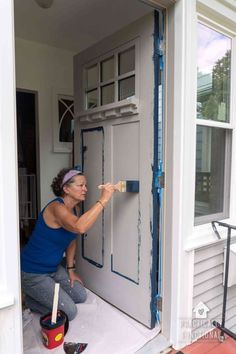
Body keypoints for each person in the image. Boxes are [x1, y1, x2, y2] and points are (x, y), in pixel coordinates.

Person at [21, 168, 116, 321]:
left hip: (53, 268)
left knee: (80, 295)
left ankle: (39, 295)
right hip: (33, 272)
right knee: (69, 312)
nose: (85, 189)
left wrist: (71, 270)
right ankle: (31, 300)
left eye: (85, 185)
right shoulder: (56, 208)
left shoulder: (76, 210)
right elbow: (79, 227)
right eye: (80, 185)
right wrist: (103, 199)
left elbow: (72, 238)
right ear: (66, 188)